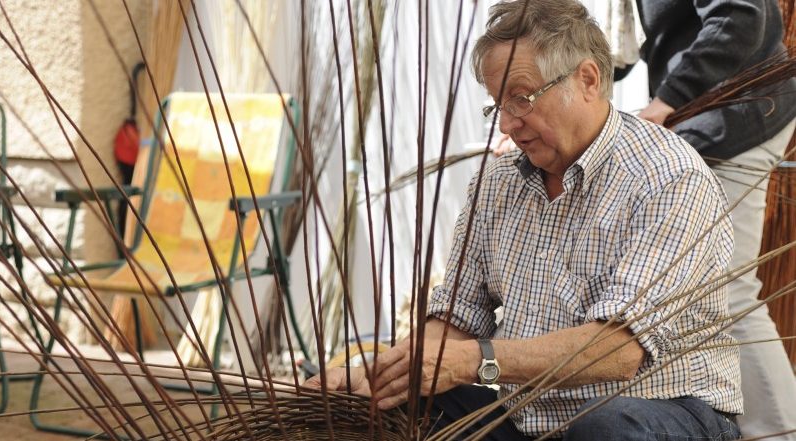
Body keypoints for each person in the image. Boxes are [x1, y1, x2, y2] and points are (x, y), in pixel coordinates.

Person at [307, 0, 743, 439]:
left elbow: (618, 350)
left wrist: (478, 361)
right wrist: (384, 374)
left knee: (608, 429)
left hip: (660, 410)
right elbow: (458, 317)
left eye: (521, 99)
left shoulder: (669, 179)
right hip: (527, 412)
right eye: (498, 106)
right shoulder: (497, 184)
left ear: (587, 79)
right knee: (400, 402)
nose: (508, 126)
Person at [614, 1, 796, 438]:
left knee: (727, 287)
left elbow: (740, 13)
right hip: (704, 116)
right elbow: (624, 47)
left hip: (737, 113)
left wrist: (666, 100)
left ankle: (781, 431)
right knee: (701, 290)